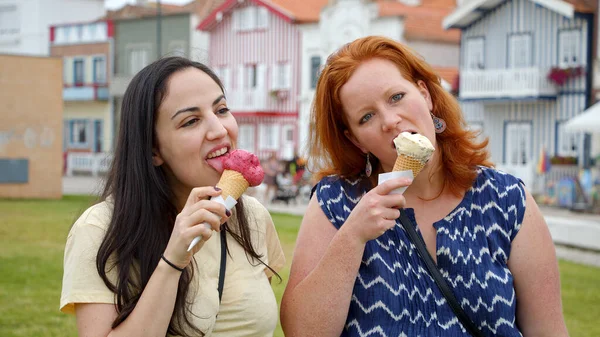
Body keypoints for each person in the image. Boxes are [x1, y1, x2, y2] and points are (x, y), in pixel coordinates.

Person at [280, 36, 568, 336]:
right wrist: (353, 236)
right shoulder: (337, 202)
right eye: (367, 116)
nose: (390, 121)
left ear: (426, 94)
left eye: (396, 97)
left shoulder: (506, 199)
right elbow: (302, 331)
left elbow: (548, 330)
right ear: (355, 139)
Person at [60, 57, 285, 337]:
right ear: (154, 150)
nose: (219, 130)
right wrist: (173, 260)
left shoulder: (251, 215)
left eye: (222, 109)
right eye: (191, 121)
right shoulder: (100, 228)